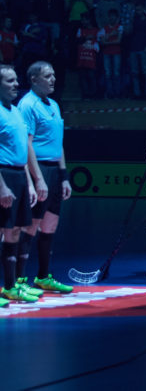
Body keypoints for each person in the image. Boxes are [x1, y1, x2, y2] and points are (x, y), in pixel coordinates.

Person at [17, 61, 75, 294]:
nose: (52, 80)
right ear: (34, 79)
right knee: (30, 226)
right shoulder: (27, 105)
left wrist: (63, 176)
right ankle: (19, 281)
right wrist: (38, 179)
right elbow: (26, 145)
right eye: (47, 76)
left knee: (50, 224)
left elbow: (58, 143)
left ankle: (43, 277)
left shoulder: (54, 105)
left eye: (53, 75)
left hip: (54, 170)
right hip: (38, 168)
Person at [2, 63, 47, 305]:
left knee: (16, 231)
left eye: (16, 80)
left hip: (18, 176)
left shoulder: (15, 112)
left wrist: (29, 183)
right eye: (10, 81)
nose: (16, 85)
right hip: (3, 175)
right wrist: (1, 186)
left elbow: (22, 150)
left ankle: (10, 287)